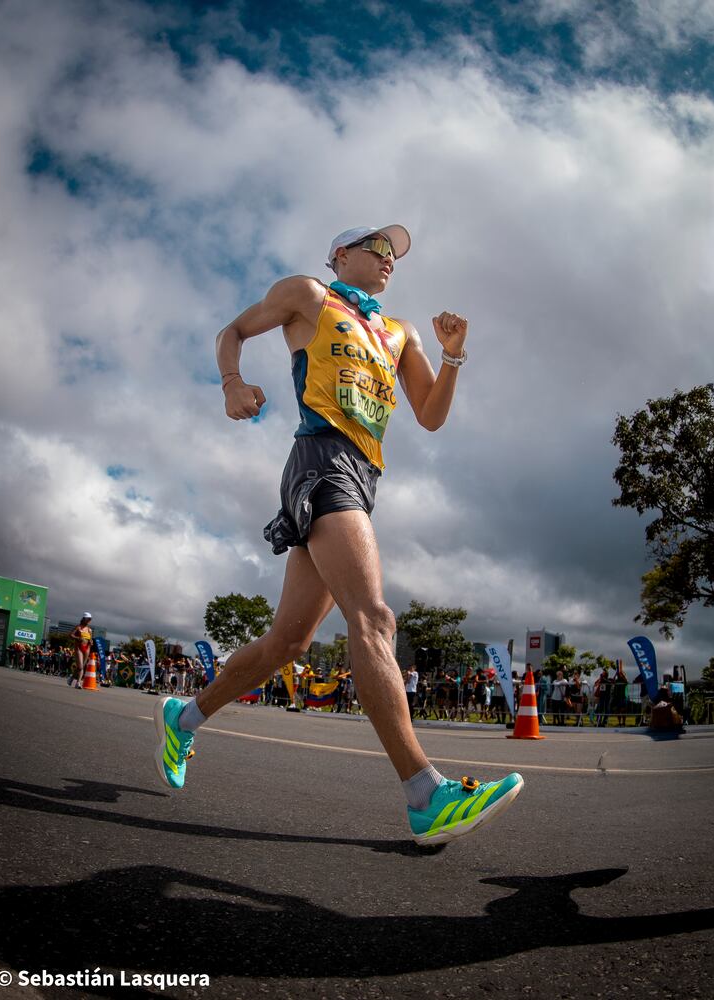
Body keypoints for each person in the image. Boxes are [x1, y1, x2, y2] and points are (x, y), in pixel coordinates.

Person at [152, 223, 523, 844]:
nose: (389, 262)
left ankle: (182, 718)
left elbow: (430, 415)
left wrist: (454, 354)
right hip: (321, 459)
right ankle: (425, 794)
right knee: (374, 618)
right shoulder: (309, 295)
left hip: (363, 474)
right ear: (341, 256)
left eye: (395, 256)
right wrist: (231, 382)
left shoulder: (398, 332)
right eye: (378, 249)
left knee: (287, 646)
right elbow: (233, 331)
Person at [69, 613, 93, 689]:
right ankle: (78, 683)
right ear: (84, 619)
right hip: (78, 647)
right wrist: (77, 638)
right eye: (88, 619)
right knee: (80, 666)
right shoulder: (78, 627)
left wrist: (91, 642)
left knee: (82, 666)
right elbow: (70, 635)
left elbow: (91, 639)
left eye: (90, 619)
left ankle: (72, 678)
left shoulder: (89, 630)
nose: (89, 620)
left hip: (87, 648)